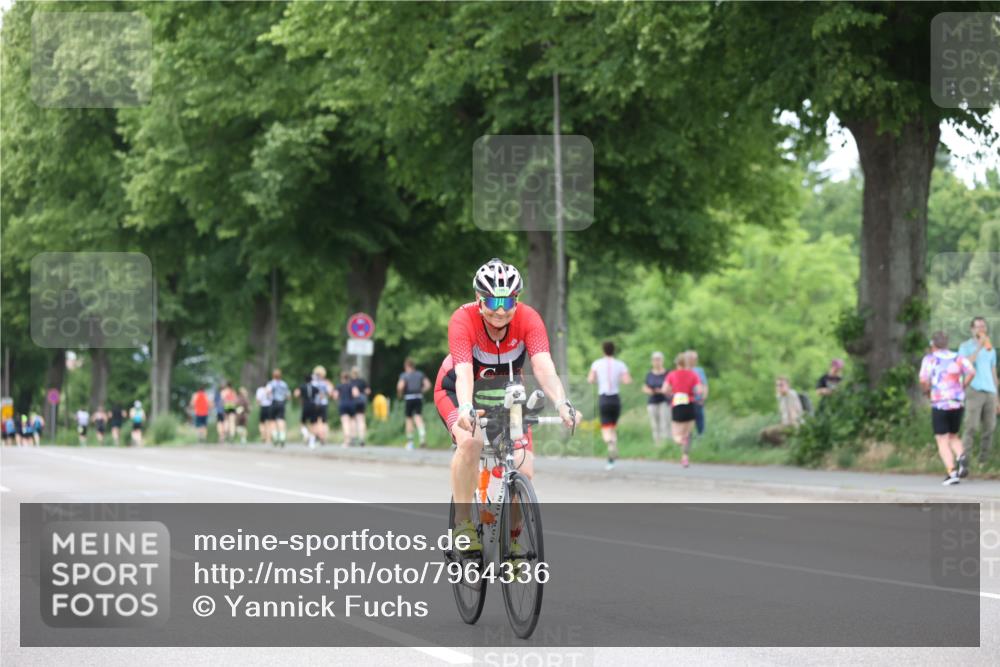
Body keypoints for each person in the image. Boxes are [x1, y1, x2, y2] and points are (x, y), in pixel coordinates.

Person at [433, 259, 577, 554]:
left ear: (517, 299)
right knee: (471, 444)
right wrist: (463, 409)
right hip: (459, 391)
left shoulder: (528, 319)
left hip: (507, 395)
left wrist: (561, 402)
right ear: (478, 299)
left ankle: (511, 542)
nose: (501, 310)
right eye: (493, 301)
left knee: (524, 466)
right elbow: (462, 372)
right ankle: (463, 524)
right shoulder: (463, 320)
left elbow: (543, 366)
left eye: (508, 301)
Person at [919, 331, 976, 486]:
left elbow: (924, 380)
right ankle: (961, 456)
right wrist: (963, 385)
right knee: (953, 435)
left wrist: (927, 391)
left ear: (933, 345)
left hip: (940, 402)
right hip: (957, 401)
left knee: (941, 438)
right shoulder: (958, 357)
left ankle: (952, 472)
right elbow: (971, 372)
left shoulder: (930, 359)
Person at [958, 316, 997, 467]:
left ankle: (983, 462)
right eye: (978, 327)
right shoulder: (965, 346)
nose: (981, 329)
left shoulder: (991, 349)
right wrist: (978, 347)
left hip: (990, 391)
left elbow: (993, 372)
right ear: (972, 329)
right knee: (971, 426)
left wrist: (997, 396)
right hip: (974, 390)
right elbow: (964, 365)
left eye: (983, 327)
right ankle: (964, 462)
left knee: (990, 427)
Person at [588, 341, 632, 470]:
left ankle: (610, 444)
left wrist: (598, 379)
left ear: (603, 350)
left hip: (604, 398)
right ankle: (612, 455)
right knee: (612, 428)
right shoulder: (620, 364)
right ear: (614, 350)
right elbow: (627, 380)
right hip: (615, 399)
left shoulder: (597, 364)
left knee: (606, 429)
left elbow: (590, 379)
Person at [662, 352, 705, 468]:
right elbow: (699, 390)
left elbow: (664, 389)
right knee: (687, 433)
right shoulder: (693, 375)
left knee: (676, 435)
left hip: (677, 403)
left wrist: (671, 393)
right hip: (690, 404)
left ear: (676, 363)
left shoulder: (672, 375)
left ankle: (681, 443)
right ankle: (685, 457)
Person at [398, 358, 431, 450]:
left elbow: (400, 386)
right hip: (419, 397)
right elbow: (428, 385)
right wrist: (421, 391)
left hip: (409, 398)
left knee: (409, 419)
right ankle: (422, 438)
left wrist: (400, 394)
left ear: (406, 366)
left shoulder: (404, 375)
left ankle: (410, 442)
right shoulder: (420, 374)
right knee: (418, 417)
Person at [642, 352, 671, 446]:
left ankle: (666, 444)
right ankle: (657, 444)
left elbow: (672, 386)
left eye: (658, 360)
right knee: (655, 424)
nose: (657, 362)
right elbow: (644, 386)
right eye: (655, 360)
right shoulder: (649, 374)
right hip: (652, 401)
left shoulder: (667, 373)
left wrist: (663, 390)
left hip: (664, 400)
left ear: (662, 361)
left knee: (665, 423)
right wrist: (649, 391)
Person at [687, 350, 709, 436]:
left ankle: (701, 439)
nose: (695, 360)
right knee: (687, 423)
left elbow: (705, 385)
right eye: (693, 358)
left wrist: (703, 398)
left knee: (700, 422)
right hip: (686, 401)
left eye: (696, 358)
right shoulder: (683, 370)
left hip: (698, 400)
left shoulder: (699, 371)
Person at [267, 369, 291, 447]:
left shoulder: (271, 383)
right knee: (281, 420)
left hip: (274, 402)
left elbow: (268, 392)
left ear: (273, 375)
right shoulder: (284, 384)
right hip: (282, 403)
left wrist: (269, 397)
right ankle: (282, 436)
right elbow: (288, 396)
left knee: (272, 421)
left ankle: (275, 437)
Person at [310, 366, 332, 446]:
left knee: (315, 421)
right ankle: (323, 437)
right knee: (324, 421)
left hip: (314, 403)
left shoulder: (312, 382)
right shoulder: (325, 383)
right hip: (323, 403)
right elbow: (330, 393)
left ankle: (315, 436)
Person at [350, 367, 371, 447]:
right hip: (361, 402)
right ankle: (362, 438)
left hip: (353, 402)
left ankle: (353, 438)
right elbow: (368, 391)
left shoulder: (350, 382)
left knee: (353, 420)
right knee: (361, 420)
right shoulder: (362, 381)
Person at [335, 371, 357, 448]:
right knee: (353, 421)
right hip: (351, 404)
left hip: (343, 404)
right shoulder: (352, 385)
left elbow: (335, 396)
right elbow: (355, 394)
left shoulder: (339, 386)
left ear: (342, 378)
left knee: (345, 423)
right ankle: (353, 436)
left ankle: (347, 440)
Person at [294, 372, 315, 445]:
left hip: (305, 405)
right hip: (313, 405)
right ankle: (312, 439)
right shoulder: (314, 387)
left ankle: (306, 434)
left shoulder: (302, 386)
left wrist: (300, 398)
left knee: (302, 422)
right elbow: (321, 395)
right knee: (312, 423)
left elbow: (296, 394)